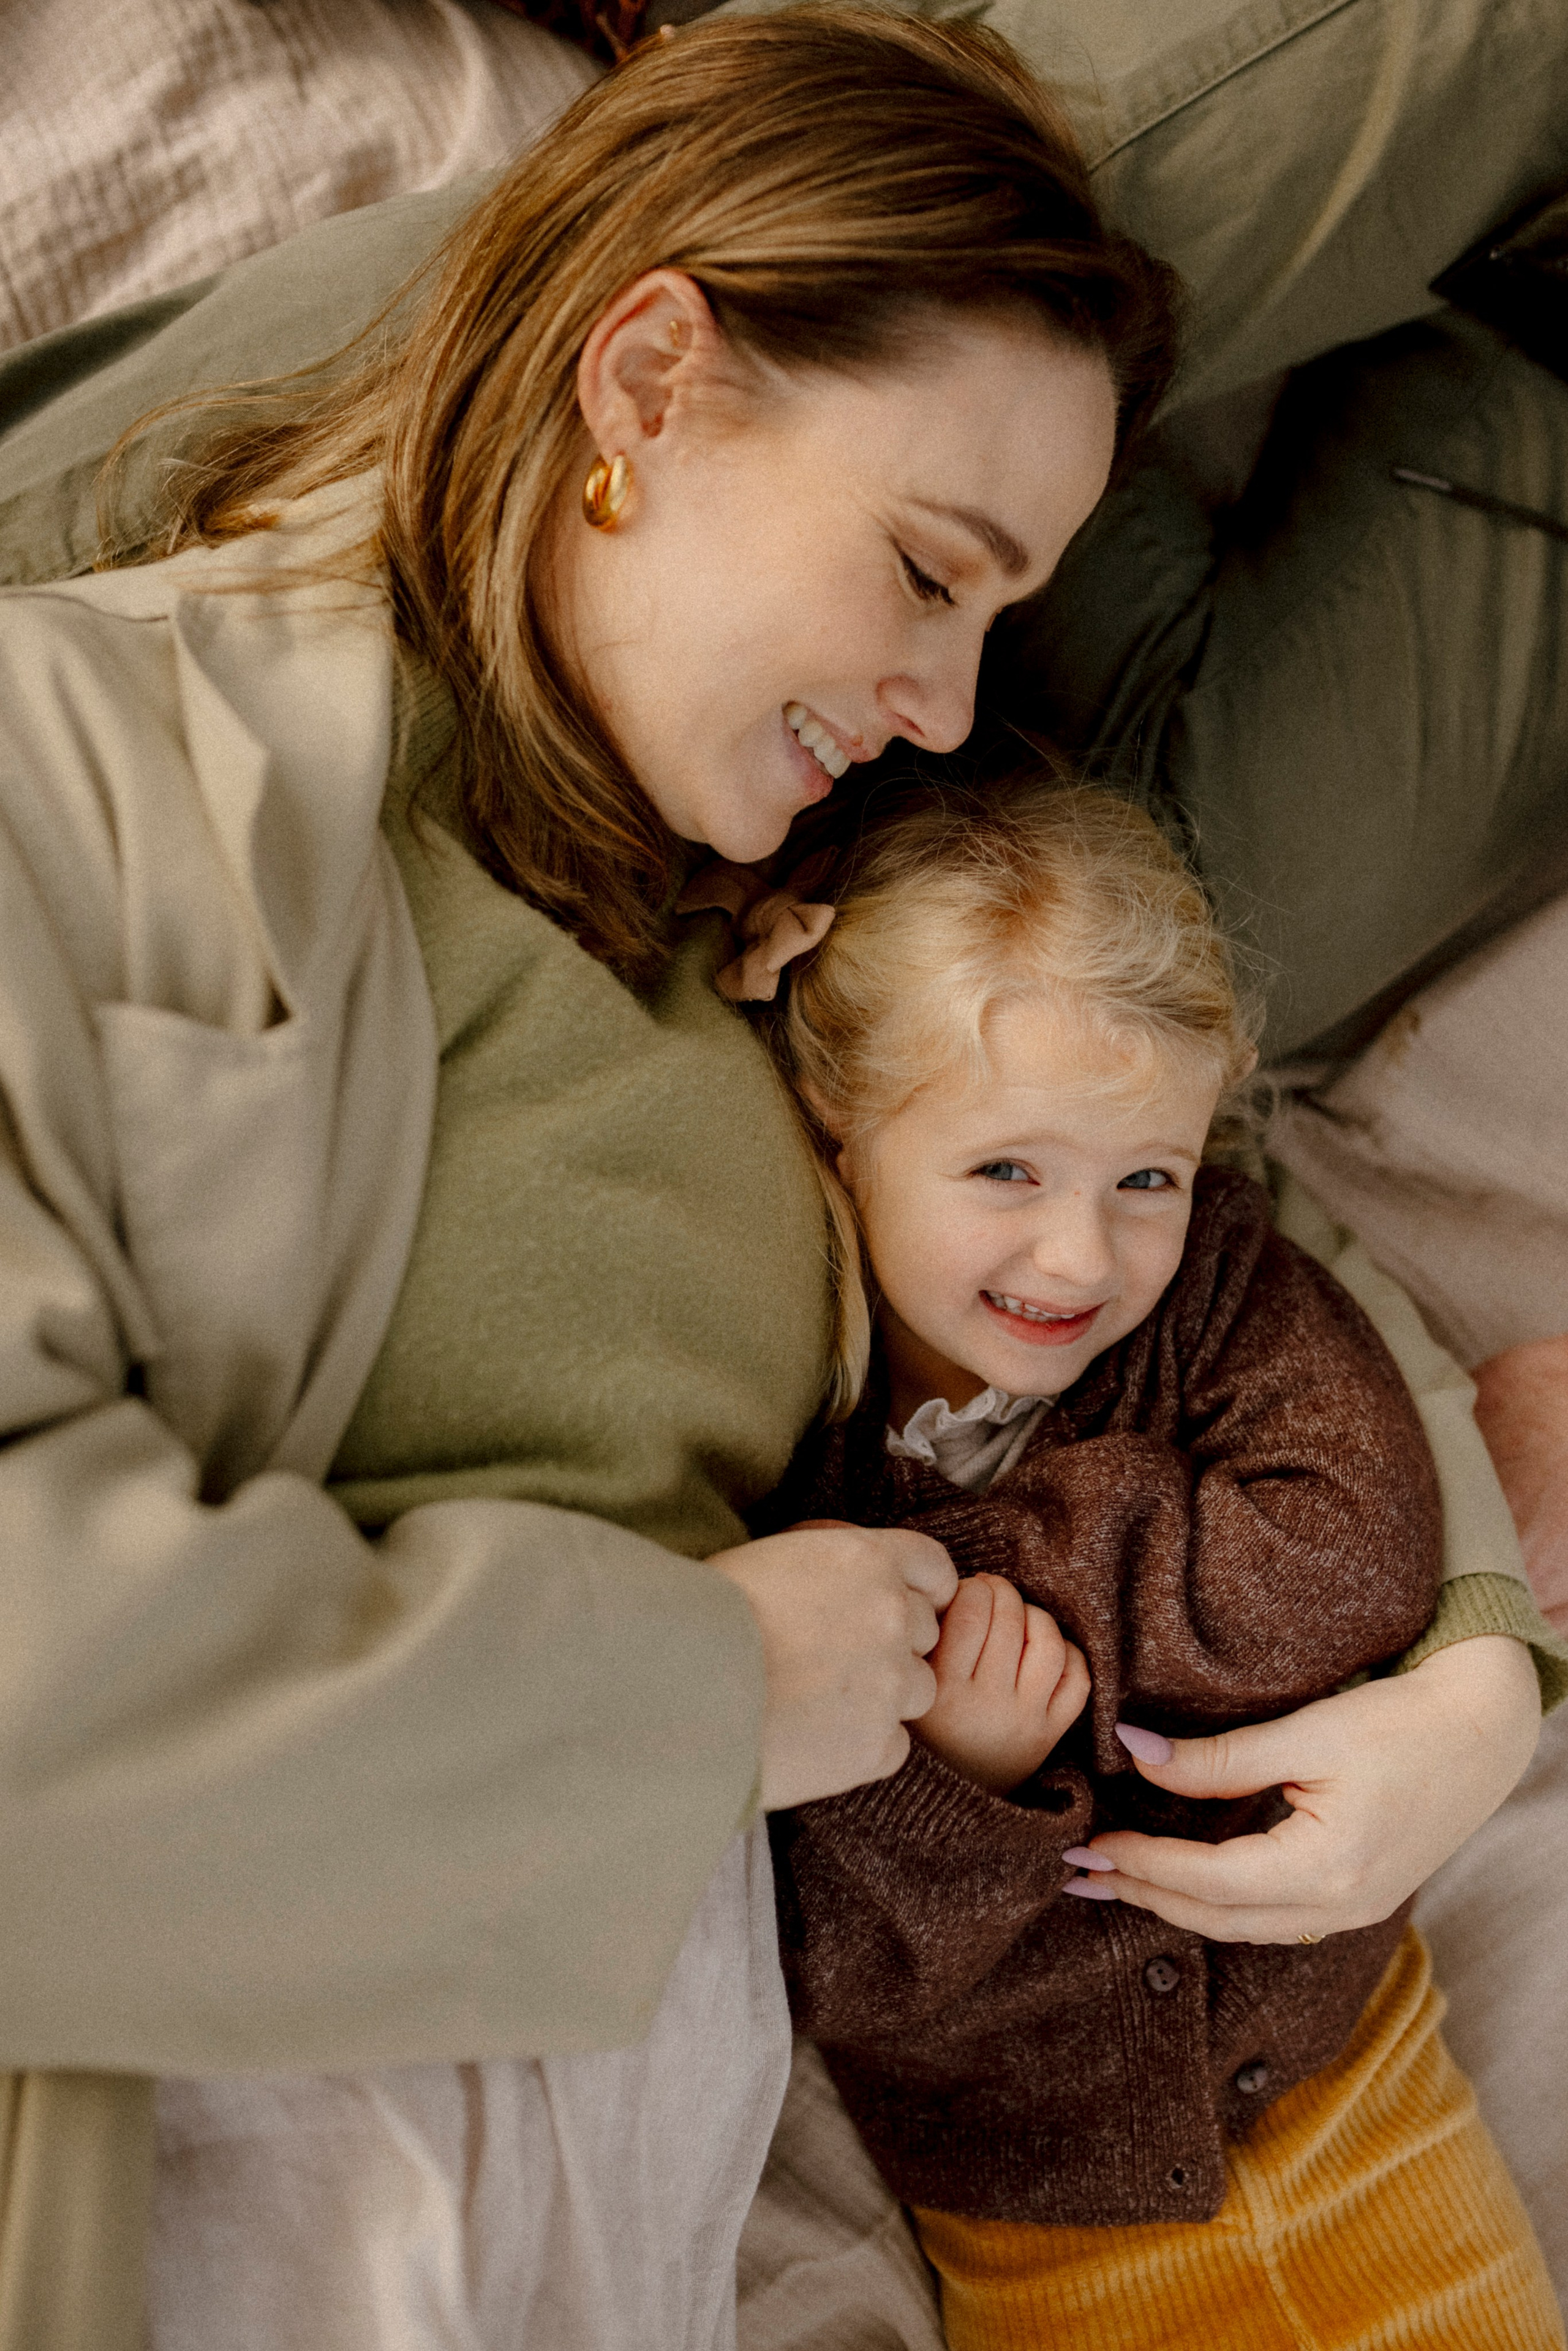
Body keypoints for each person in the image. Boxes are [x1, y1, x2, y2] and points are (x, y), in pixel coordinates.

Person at [0, 7, 1557, 2347]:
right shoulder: (92, 765)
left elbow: (1181, 1217)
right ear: (646, 391)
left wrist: (1477, 1671)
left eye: (987, 606)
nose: (945, 689)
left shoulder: (759, 881)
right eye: (930, 575)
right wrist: (704, 1690)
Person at [749, 775, 1564, 2349]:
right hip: (1039, 2211)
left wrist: (990, 1583)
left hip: (1366, 2094)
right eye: (1006, 1171)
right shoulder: (799, 1456)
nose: (1079, 1255)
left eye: (1144, 1176)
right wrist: (958, 1773)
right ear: (837, 1126)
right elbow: (825, 1961)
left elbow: (1346, 1546)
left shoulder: (1213, 1287)